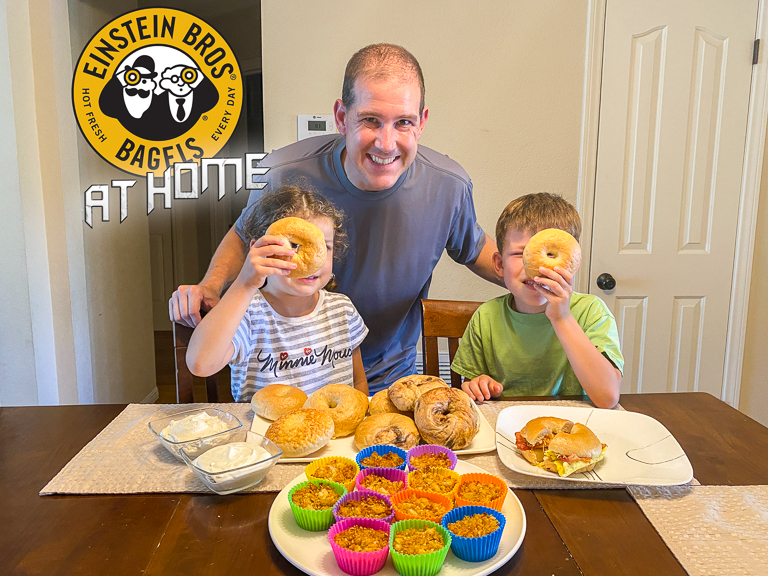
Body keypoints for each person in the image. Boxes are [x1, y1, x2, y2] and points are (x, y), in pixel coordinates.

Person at [170, 43, 502, 392]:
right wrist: (212, 286)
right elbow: (243, 235)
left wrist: (528, 279)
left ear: (421, 122)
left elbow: (475, 247)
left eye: (403, 122)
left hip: (391, 377)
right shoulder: (282, 174)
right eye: (370, 120)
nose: (386, 144)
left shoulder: (448, 185)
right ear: (342, 117)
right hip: (284, 380)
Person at [185, 186, 369, 402]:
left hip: (333, 434)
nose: (312, 263)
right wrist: (244, 284)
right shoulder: (247, 315)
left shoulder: (343, 310)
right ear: (257, 251)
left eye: (325, 247)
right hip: (266, 434)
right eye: (294, 246)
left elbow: (358, 383)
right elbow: (200, 364)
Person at [452, 193, 623, 409]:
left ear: (573, 263)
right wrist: (478, 386)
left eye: (551, 255)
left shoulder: (592, 312)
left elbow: (607, 397)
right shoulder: (486, 318)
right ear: (499, 264)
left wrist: (562, 318)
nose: (537, 268)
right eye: (520, 253)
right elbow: (470, 388)